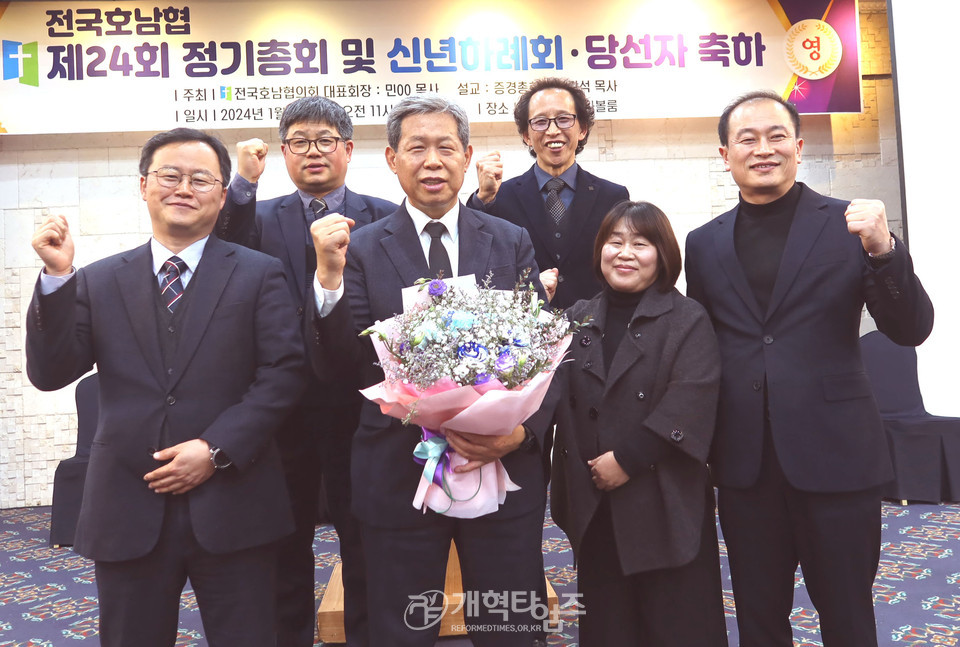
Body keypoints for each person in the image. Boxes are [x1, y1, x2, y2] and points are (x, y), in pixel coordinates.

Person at [25, 128, 305, 647]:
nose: (184, 188)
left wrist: (215, 448)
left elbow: (284, 373)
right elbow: (51, 372)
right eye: (169, 176)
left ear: (223, 195)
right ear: (143, 186)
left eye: (201, 179)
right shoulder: (98, 279)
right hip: (129, 502)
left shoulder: (259, 274)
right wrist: (58, 278)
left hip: (235, 501)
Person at [684, 90, 935, 646]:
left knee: (847, 613)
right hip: (745, 462)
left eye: (776, 136)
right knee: (758, 614)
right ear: (725, 155)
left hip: (837, 455)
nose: (763, 148)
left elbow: (911, 328)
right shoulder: (702, 244)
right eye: (746, 139)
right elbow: (702, 348)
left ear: (798, 147)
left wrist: (885, 249)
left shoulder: (851, 226)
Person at [308, 94, 551, 646]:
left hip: (498, 466)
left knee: (509, 624)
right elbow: (339, 364)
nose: (433, 161)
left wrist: (520, 431)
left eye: (446, 147)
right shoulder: (360, 249)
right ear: (393, 160)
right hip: (398, 471)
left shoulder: (509, 240)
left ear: (467, 158)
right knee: (400, 626)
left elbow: (546, 349)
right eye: (417, 148)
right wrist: (327, 281)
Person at [217, 95, 396, 647]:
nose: (313, 153)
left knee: (365, 537)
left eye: (325, 141)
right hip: (282, 409)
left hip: (360, 403)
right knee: (284, 541)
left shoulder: (384, 215)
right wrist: (243, 185)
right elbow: (222, 252)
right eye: (299, 142)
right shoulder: (256, 216)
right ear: (283, 152)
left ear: (348, 149)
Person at [528, 201, 727, 645]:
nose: (625, 252)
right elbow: (545, 391)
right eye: (615, 241)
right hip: (594, 502)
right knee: (608, 627)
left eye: (641, 243)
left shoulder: (687, 317)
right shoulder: (577, 315)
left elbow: (691, 399)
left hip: (663, 498)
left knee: (675, 626)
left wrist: (627, 460)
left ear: (663, 255)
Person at [469, 76, 629, 309]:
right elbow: (473, 250)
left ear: (582, 129)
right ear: (526, 135)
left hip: (596, 330)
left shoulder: (613, 197)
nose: (553, 131)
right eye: (540, 122)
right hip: (525, 334)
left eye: (564, 119)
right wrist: (482, 199)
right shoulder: (501, 197)